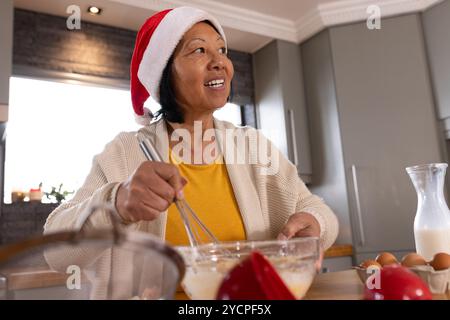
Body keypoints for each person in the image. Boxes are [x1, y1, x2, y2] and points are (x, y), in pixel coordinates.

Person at [44, 6, 338, 298]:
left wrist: (314, 224)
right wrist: (116, 203)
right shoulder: (126, 152)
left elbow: (319, 212)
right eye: (198, 51)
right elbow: (56, 253)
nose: (219, 62)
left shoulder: (253, 147)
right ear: (164, 73)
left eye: (222, 50)